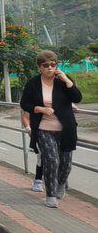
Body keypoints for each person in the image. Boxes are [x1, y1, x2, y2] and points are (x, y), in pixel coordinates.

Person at [19, 50, 82, 208]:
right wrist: (39, 109)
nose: (49, 68)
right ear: (39, 67)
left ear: (57, 65)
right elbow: (24, 104)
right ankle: (51, 194)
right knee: (52, 160)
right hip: (44, 128)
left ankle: (60, 184)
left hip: (66, 130)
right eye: (45, 65)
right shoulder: (33, 83)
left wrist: (67, 80)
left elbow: (77, 98)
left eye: (53, 65)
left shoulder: (63, 81)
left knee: (66, 164)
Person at [21, 111, 44, 192]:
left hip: (55, 132)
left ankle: (58, 182)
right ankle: (38, 180)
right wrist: (28, 129)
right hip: (38, 133)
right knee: (41, 156)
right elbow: (25, 116)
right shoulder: (35, 100)